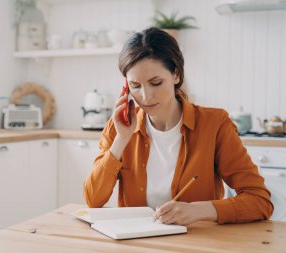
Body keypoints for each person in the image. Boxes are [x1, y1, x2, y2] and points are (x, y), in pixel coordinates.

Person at [83, 27, 273, 225]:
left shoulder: (215, 124)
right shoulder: (118, 128)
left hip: (196, 242)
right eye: (136, 86)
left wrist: (199, 210)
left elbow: (260, 200)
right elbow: (93, 200)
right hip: (136, 243)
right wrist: (121, 139)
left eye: (156, 83)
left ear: (176, 75)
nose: (146, 97)